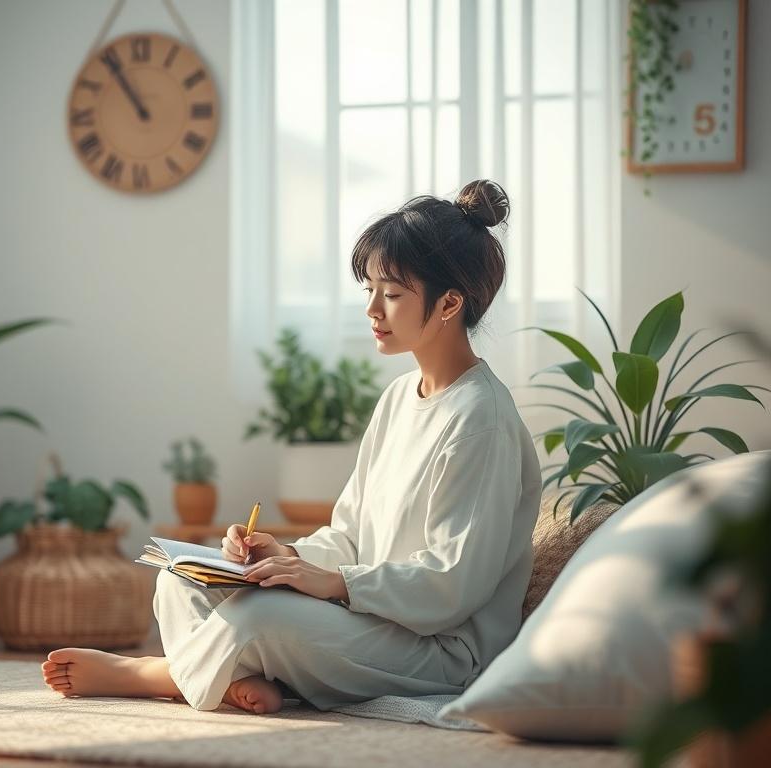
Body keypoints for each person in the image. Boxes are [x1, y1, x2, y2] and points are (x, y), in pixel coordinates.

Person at [41, 179, 543, 715]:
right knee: (178, 579)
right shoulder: (400, 397)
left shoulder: (482, 420)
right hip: (370, 617)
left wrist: (333, 584)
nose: (373, 309)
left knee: (258, 618)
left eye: (393, 294)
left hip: (441, 652)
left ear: (449, 303)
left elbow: (452, 585)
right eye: (369, 289)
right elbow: (350, 534)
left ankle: (154, 674)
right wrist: (287, 558)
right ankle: (233, 679)